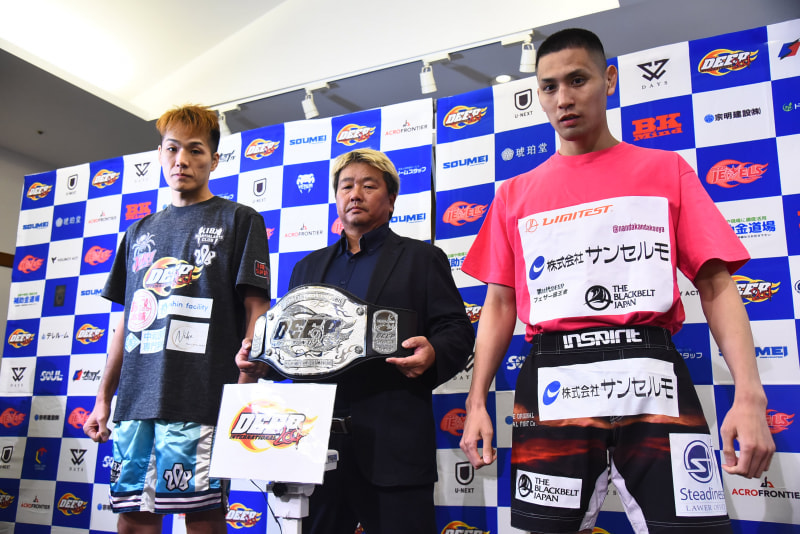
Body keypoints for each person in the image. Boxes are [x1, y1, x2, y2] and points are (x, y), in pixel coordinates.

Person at [458, 28, 775, 534]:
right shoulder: (515, 193)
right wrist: (476, 401)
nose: (563, 99)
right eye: (549, 87)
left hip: (653, 382)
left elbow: (715, 284)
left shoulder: (666, 170)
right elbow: (498, 305)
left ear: (609, 80)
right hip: (553, 386)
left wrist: (750, 394)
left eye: (577, 80)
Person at [237, 148, 474, 534]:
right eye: (346, 186)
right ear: (336, 197)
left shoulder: (421, 258)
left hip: (393, 446)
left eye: (368, 186)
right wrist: (263, 363)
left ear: (391, 199)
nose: (355, 194)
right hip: (313, 444)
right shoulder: (306, 268)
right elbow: (294, 347)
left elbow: (457, 330)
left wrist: (433, 354)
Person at [83, 105, 271, 534]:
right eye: (172, 149)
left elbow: (256, 310)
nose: (181, 160)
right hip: (136, 401)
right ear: (160, 154)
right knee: (133, 519)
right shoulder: (138, 231)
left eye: (195, 150)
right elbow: (126, 321)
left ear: (214, 160)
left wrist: (243, 392)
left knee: (202, 519)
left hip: (202, 398)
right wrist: (103, 398)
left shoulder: (240, 220)